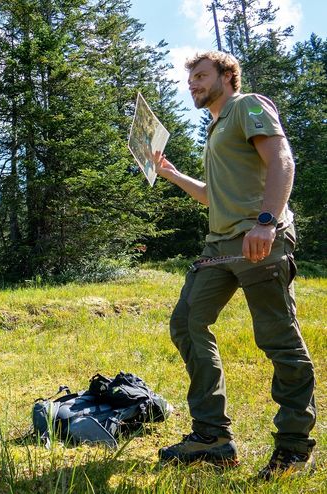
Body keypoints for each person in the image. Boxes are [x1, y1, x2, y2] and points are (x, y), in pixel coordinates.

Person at [153, 51, 316, 479]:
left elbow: (282, 161)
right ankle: (213, 438)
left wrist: (267, 222)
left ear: (227, 76)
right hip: (219, 247)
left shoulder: (248, 106)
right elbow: (212, 195)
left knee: (278, 339)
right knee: (188, 322)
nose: (193, 85)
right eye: (190, 80)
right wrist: (170, 173)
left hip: (258, 241)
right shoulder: (216, 128)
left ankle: (294, 448)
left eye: (201, 76)